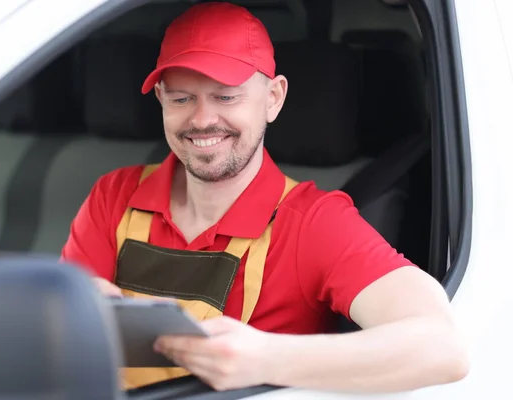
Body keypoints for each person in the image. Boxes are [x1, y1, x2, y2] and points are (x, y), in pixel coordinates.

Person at [60, 1, 468, 393]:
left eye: (225, 96)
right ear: (161, 101)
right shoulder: (114, 196)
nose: (201, 119)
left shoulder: (313, 222)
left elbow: (442, 347)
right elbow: (59, 343)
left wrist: (265, 358)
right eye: (182, 98)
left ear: (273, 98)